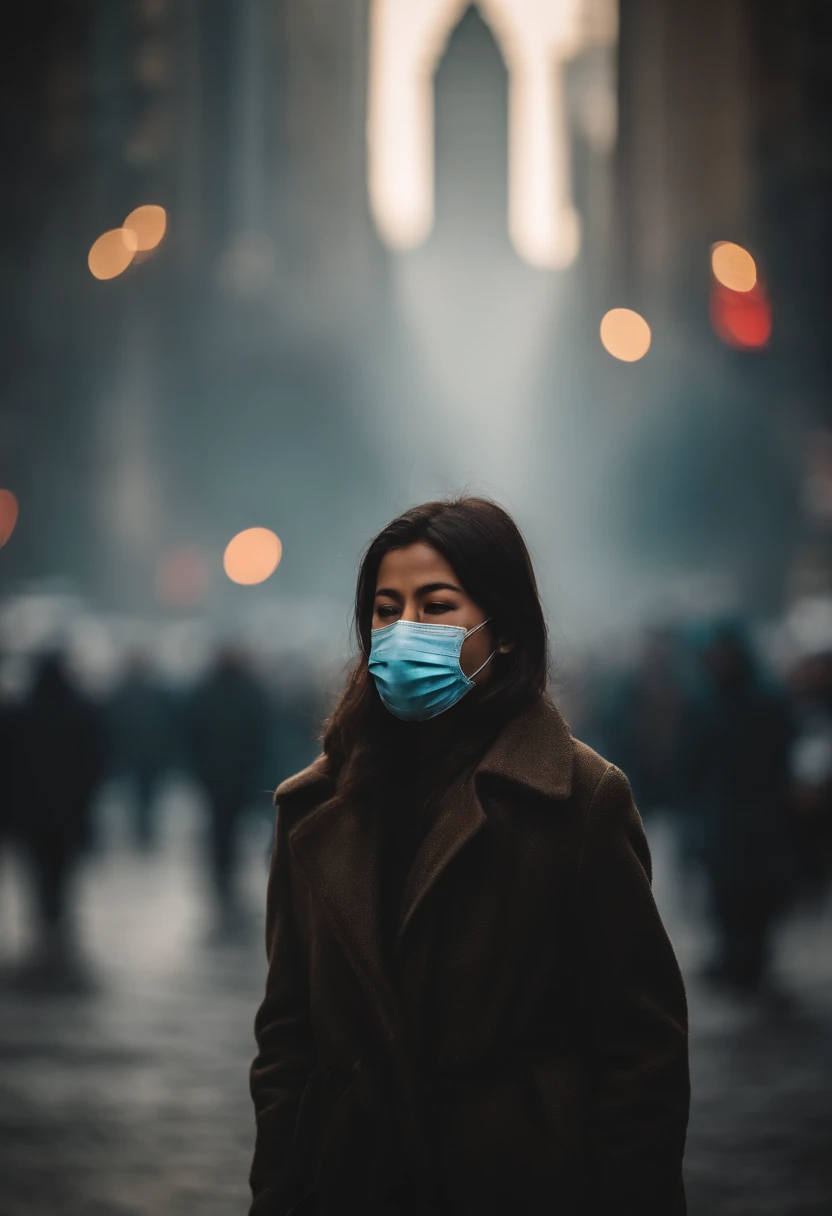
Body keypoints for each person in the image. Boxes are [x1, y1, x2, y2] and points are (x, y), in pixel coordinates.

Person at [249, 498, 690, 1216]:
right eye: (386, 610)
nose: (403, 632)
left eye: (437, 605)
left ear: (506, 629)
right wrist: (277, 1192)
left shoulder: (579, 800)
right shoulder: (314, 807)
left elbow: (642, 1054)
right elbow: (285, 1042)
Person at [679, 617, 799, 994]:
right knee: (723, 891)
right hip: (722, 812)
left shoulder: (769, 697)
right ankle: (732, 955)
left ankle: (752, 957)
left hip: (763, 811)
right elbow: (693, 757)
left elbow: (785, 751)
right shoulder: (705, 699)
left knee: (759, 890)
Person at [184, 644, 270, 925]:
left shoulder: (205, 691)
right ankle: (226, 870)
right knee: (230, 823)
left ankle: (222, 870)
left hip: (216, 773)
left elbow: (193, 733)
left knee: (220, 823)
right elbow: (260, 734)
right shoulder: (251, 691)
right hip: (236, 773)